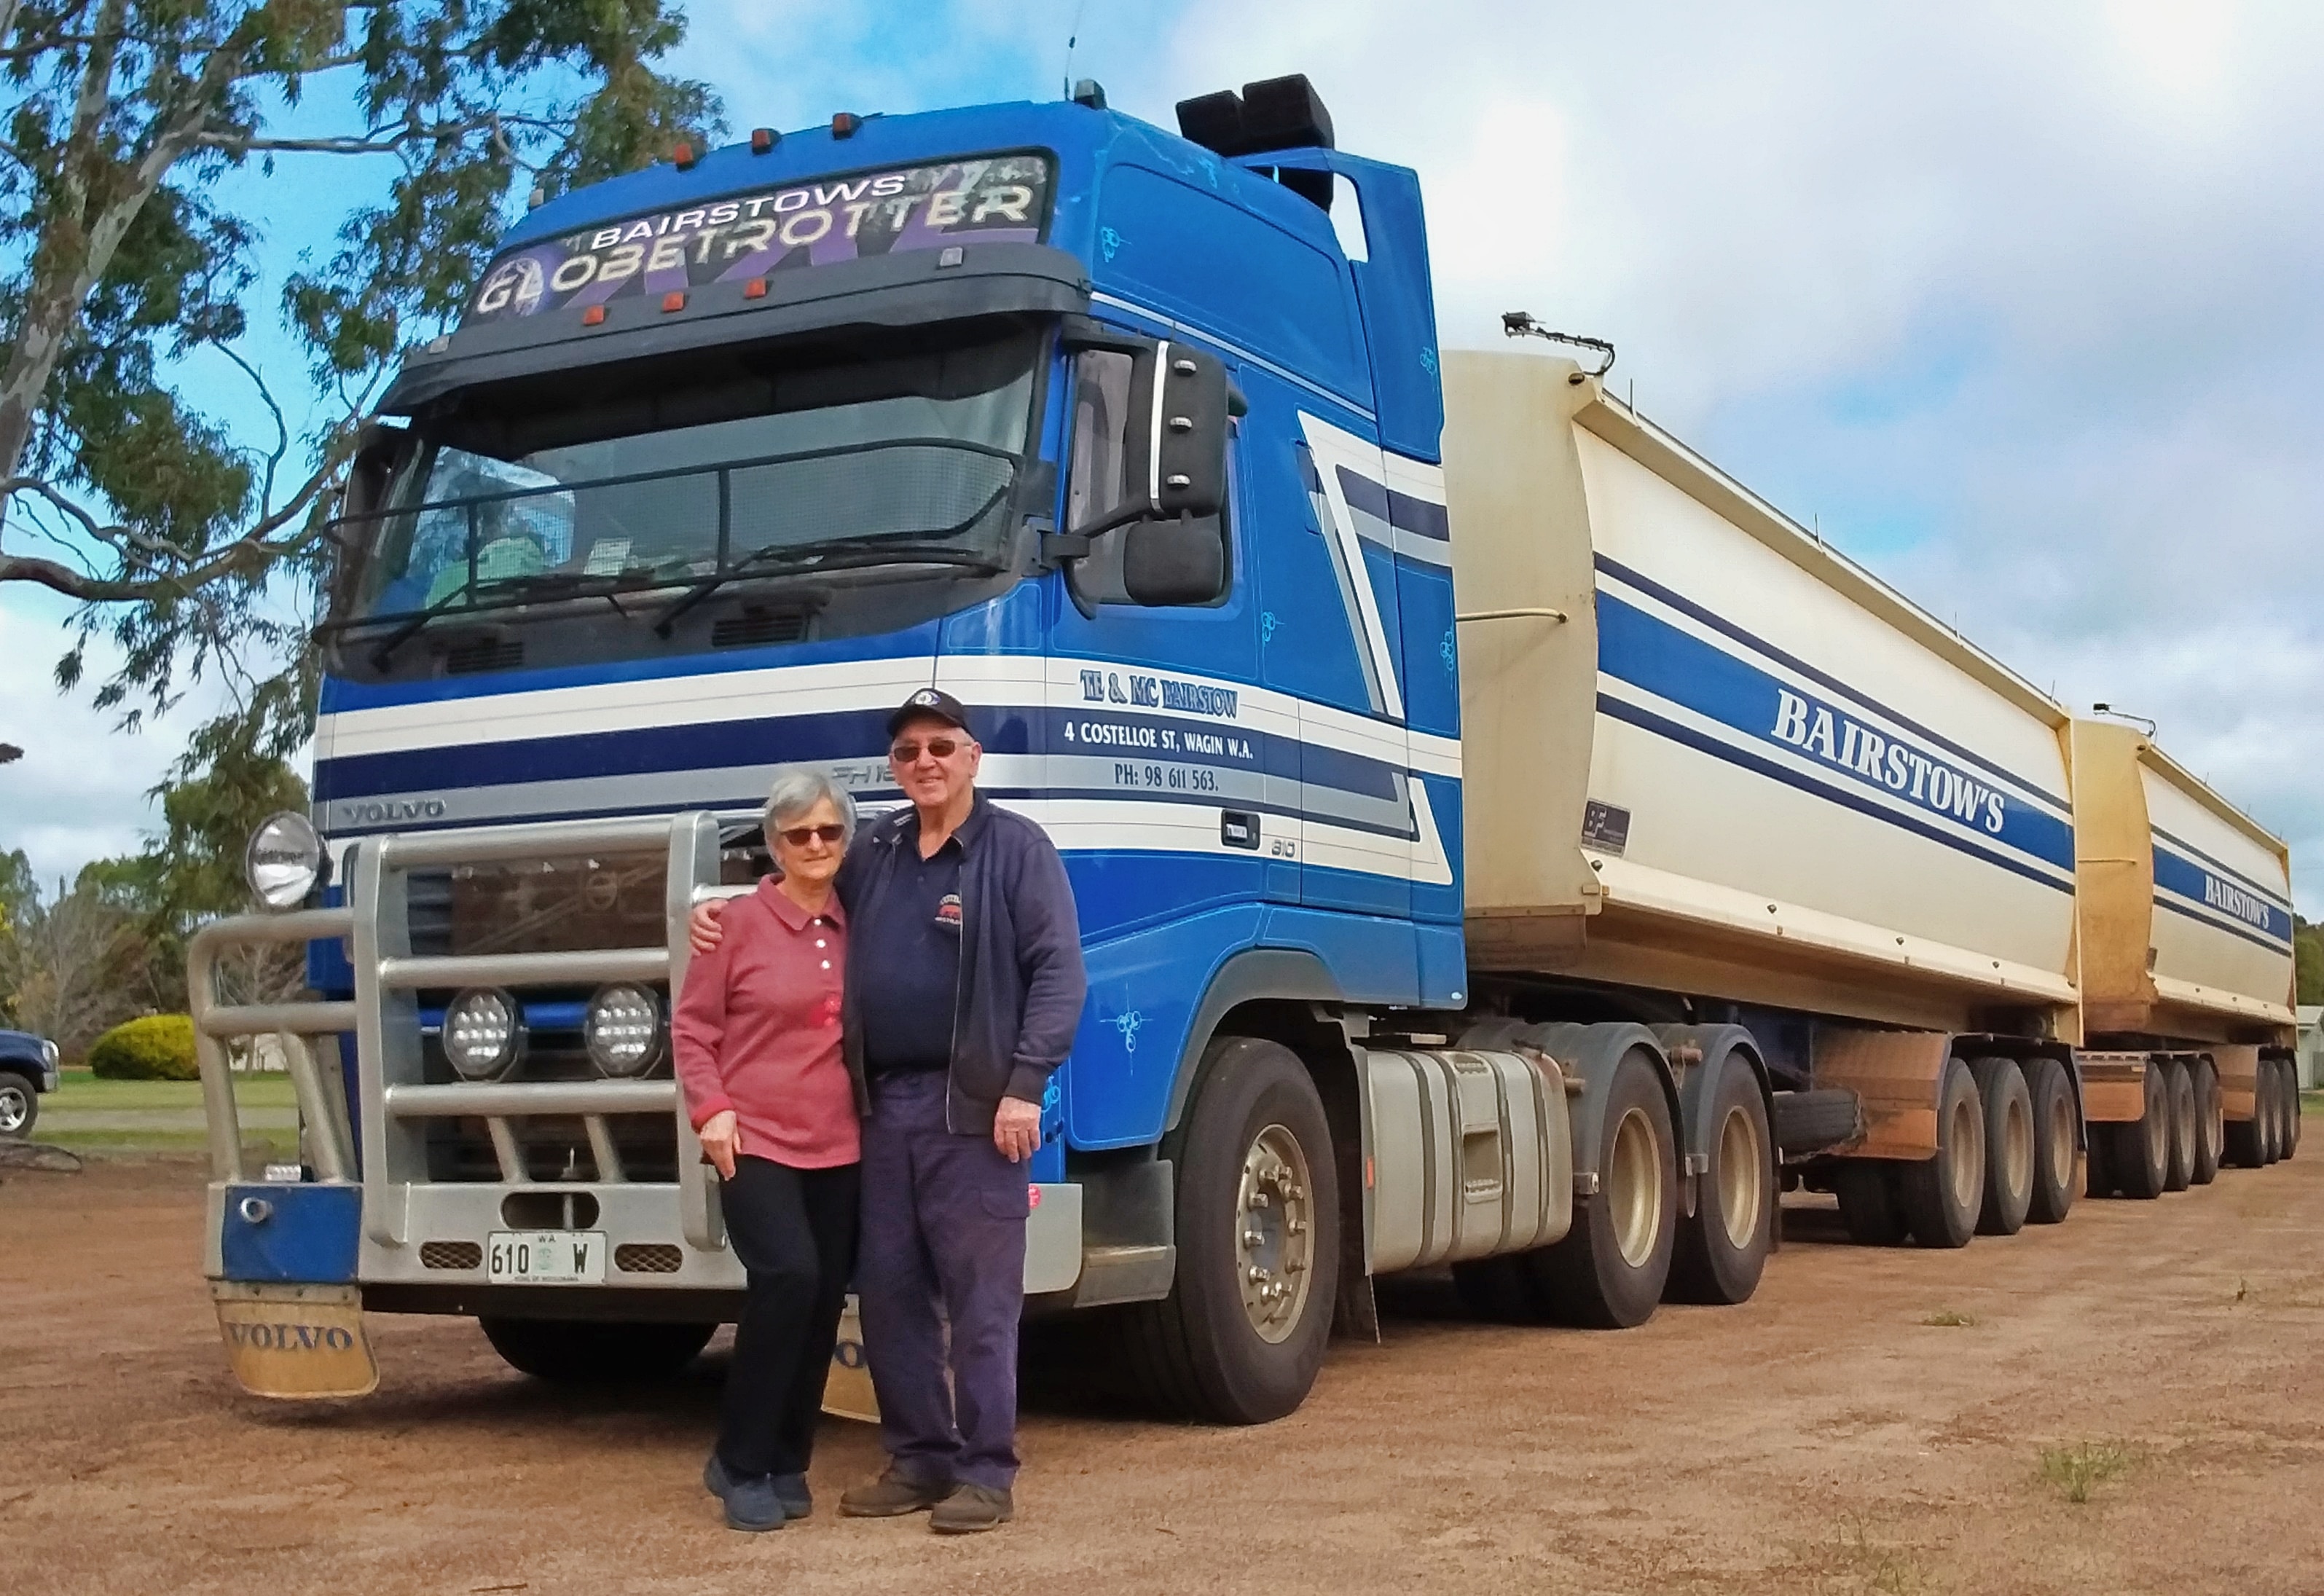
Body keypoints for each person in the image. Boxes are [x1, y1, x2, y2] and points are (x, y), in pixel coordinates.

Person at [690, 686, 1086, 1534]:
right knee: (893, 1295)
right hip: (880, 1112)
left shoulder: (1017, 851)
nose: (925, 764)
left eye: (941, 747)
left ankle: (985, 1470)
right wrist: (717, 912)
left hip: (977, 1108)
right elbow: (802, 878)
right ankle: (919, 1458)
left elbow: (1058, 974)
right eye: (908, 753)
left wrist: (1024, 1083)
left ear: (972, 756)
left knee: (981, 1300)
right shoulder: (878, 849)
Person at [673, 769, 863, 1533]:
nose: (815, 845)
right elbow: (691, 1029)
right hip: (753, 1139)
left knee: (823, 1301)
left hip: (842, 1143)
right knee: (788, 1275)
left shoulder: (860, 921)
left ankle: (787, 1459)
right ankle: (738, 1460)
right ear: (774, 843)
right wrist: (711, 1111)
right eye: (798, 834)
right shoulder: (735, 924)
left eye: (828, 831)